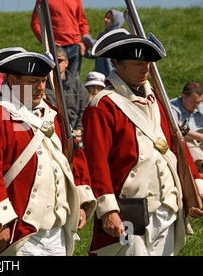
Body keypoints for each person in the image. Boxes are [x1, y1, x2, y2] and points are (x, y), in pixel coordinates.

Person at [82, 28, 203, 256]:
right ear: (117, 63)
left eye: (147, 62)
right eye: (137, 62)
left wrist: (196, 186)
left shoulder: (157, 100)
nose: (145, 68)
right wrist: (108, 210)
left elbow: (176, 144)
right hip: (129, 211)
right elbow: (96, 162)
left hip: (168, 207)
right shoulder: (103, 105)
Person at [0, 47, 96, 256]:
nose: (40, 87)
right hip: (20, 232)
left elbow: (70, 157)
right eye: (32, 82)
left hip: (57, 230)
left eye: (43, 81)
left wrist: (81, 201)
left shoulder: (52, 114)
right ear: (12, 79)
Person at [30, 0, 89, 79]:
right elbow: (35, 23)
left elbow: (82, 22)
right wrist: (47, 42)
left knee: (73, 81)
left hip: (75, 46)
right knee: (54, 79)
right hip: (56, 47)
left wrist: (85, 42)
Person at [48, 47, 89, 139]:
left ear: (66, 63)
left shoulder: (78, 86)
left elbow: (85, 110)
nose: (55, 64)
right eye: (52, 61)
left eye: (59, 60)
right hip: (51, 133)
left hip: (75, 133)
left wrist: (79, 130)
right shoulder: (42, 85)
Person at [171, 81, 203, 172]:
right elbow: (179, 130)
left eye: (199, 102)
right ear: (184, 96)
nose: (196, 105)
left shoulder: (199, 107)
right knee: (187, 143)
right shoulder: (171, 107)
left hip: (198, 140)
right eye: (194, 102)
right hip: (181, 141)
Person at [83, 9, 125, 77]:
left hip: (111, 72)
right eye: (105, 17)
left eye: (109, 18)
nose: (105, 20)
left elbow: (101, 46)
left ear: (116, 22)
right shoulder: (102, 35)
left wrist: (87, 39)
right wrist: (86, 53)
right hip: (100, 72)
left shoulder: (117, 35)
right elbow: (97, 53)